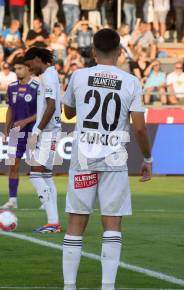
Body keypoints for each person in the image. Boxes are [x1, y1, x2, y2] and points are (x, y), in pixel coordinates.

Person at [62, 28, 152, 290]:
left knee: (77, 220)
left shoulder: (78, 76)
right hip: (114, 157)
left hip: (83, 157)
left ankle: (69, 286)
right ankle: (107, 286)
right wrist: (147, 157)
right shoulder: (131, 81)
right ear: (120, 53)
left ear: (93, 52)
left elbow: (68, 112)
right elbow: (139, 128)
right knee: (112, 222)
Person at [24, 46, 62, 233]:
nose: (30, 70)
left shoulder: (48, 76)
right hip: (50, 131)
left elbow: (51, 105)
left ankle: (53, 223)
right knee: (45, 175)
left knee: (35, 175)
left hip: (48, 132)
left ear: (38, 59)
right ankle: (53, 222)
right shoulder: (50, 75)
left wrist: (37, 130)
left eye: (30, 65)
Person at [0, 57, 38, 209]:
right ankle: (12, 200)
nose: (17, 71)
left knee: (36, 167)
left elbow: (42, 112)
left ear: (29, 69)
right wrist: (5, 129)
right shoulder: (12, 87)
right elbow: (10, 108)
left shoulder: (37, 87)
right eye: (16, 68)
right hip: (15, 133)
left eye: (20, 68)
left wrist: (26, 121)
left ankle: (44, 199)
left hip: (33, 132)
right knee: (13, 165)